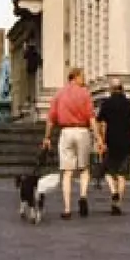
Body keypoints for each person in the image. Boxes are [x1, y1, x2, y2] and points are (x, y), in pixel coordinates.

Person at [47, 65, 96, 220]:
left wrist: (47, 137)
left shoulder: (59, 94)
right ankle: (82, 195)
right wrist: (99, 137)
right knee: (84, 169)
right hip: (82, 131)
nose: (85, 79)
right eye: (83, 76)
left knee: (67, 172)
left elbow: (50, 119)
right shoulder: (85, 93)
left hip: (66, 132)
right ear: (75, 77)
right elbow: (91, 118)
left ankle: (67, 209)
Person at [92, 78, 130, 215]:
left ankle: (114, 192)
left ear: (111, 89)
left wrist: (101, 140)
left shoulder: (106, 104)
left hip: (111, 142)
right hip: (127, 143)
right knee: (122, 175)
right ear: (122, 88)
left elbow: (100, 123)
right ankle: (118, 203)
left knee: (108, 171)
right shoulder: (129, 104)